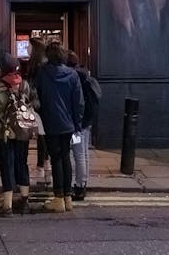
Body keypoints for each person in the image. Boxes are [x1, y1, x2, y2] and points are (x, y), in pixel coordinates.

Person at [35, 42, 84, 213]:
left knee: (56, 158)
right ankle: (67, 198)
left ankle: (58, 198)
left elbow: (38, 97)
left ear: (48, 55)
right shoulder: (72, 75)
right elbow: (78, 103)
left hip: (50, 122)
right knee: (65, 158)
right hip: (68, 124)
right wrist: (77, 124)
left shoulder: (42, 73)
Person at [0, 53, 36, 215]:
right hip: (22, 131)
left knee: (6, 166)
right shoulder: (24, 84)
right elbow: (34, 103)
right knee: (21, 164)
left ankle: (7, 205)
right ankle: (24, 201)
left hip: (2, 133)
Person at [67, 50, 101, 201]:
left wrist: (76, 123)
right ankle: (83, 183)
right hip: (87, 121)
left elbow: (77, 103)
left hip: (78, 124)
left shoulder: (75, 78)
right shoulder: (85, 75)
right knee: (84, 154)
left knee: (78, 154)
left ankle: (79, 187)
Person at [26, 37, 50, 182]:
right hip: (40, 104)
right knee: (42, 135)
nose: (27, 49)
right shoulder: (38, 62)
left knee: (42, 135)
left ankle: (43, 165)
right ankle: (43, 165)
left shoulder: (39, 65)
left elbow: (35, 87)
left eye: (29, 46)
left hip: (41, 104)